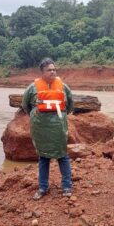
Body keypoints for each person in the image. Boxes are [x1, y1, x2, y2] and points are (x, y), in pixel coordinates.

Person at [22, 58, 74, 200]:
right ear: (42, 72)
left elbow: (70, 105)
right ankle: (43, 187)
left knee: (62, 155)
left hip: (58, 128)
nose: (52, 72)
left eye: (54, 69)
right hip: (40, 129)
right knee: (43, 157)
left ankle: (67, 186)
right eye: (49, 70)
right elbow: (25, 105)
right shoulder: (32, 88)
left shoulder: (63, 86)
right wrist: (35, 116)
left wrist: (61, 117)